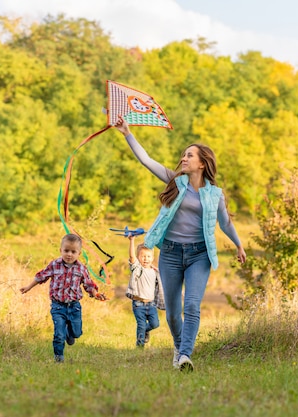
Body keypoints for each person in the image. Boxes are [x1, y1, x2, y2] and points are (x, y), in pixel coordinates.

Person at [114, 116, 247, 372]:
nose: (184, 159)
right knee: (173, 312)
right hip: (171, 253)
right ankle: (178, 346)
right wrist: (127, 132)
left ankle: (185, 355)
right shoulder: (175, 182)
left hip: (199, 255)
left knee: (192, 305)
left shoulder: (214, 194)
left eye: (189, 156)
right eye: (184, 155)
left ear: (202, 163)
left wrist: (239, 245)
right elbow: (146, 160)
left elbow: (225, 223)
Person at [20, 233, 107, 363]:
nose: (69, 254)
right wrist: (28, 287)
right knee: (58, 334)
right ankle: (58, 357)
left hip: (74, 307)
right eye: (66, 251)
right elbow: (41, 276)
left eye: (73, 251)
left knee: (76, 333)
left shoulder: (81, 268)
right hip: (58, 306)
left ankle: (70, 334)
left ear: (79, 253)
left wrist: (95, 294)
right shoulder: (55, 265)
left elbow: (88, 284)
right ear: (61, 250)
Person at [126, 234, 165, 347]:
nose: (145, 259)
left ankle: (146, 331)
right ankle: (140, 345)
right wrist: (132, 241)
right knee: (141, 325)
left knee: (155, 324)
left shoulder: (155, 272)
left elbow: (164, 283)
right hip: (138, 304)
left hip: (151, 304)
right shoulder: (137, 269)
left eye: (148, 256)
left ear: (152, 258)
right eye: (143, 256)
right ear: (139, 258)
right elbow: (132, 257)